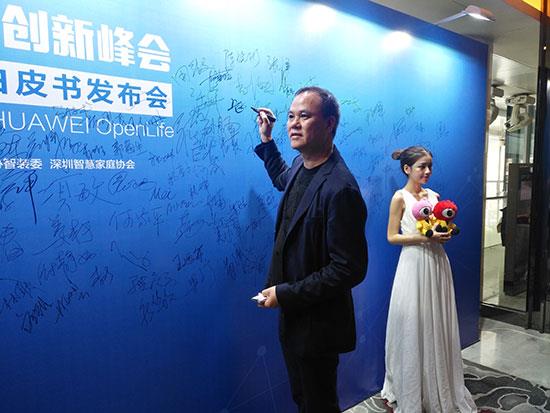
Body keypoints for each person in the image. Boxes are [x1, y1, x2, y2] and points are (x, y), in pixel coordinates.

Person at [253, 86, 368, 413]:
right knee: (303, 398)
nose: (294, 123)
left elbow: (349, 269)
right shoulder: (300, 166)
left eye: (304, 116)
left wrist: (285, 293)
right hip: (294, 316)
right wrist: (266, 140)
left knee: (318, 404)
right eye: (291, 116)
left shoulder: (340, 188)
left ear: (329, 124)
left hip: (318, 324)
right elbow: (282, 178)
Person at [381, 146, 477, 412]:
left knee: (437, 320)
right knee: (414, 322)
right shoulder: (399, 198)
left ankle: (439, 382)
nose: (427, 171)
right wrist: (425, 237)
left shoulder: (434, 196)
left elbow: (438, 225)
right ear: (407, 169)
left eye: (430, 166)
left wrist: (444, 232)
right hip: (413, 264)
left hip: (437, 263)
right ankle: (413, 386)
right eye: (421, 166)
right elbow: (392, 236)